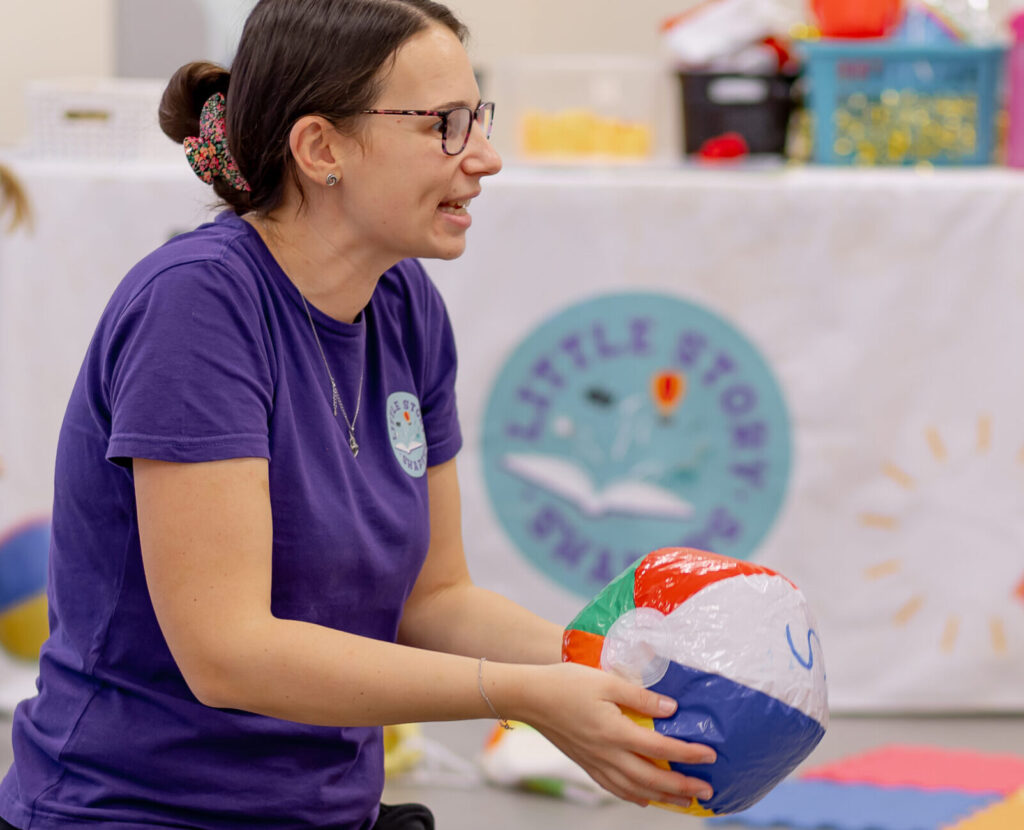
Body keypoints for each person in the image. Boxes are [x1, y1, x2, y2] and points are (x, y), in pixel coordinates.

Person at [0, 1, 717, 827]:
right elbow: (227, 654)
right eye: (444, 124)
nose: (485, 156)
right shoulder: (196, 306)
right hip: (129, 812)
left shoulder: (404, 303)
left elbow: (433, 598)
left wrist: (610, 663)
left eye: (478, 116)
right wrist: (526, 695)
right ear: (320, 149)